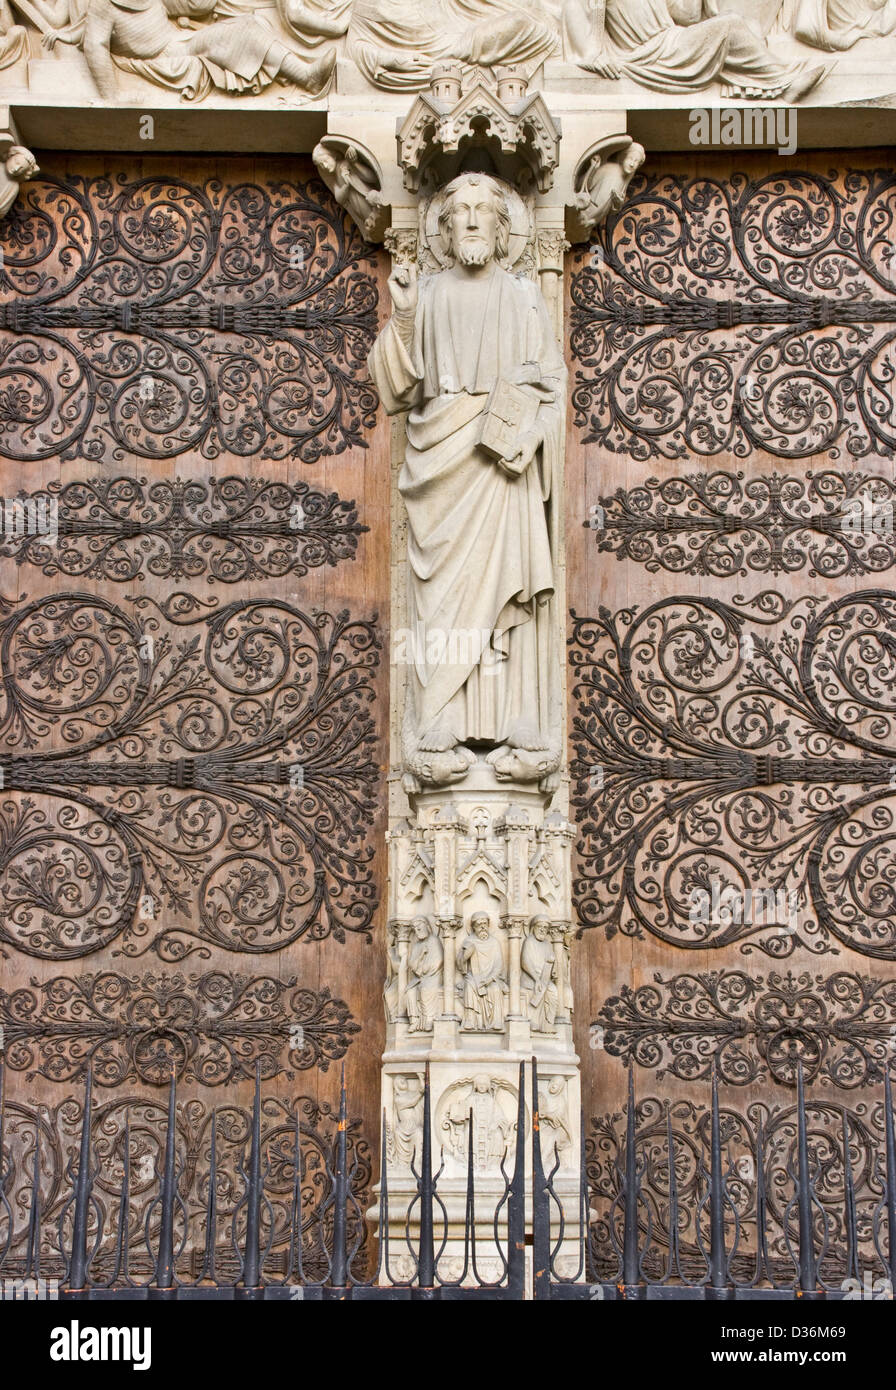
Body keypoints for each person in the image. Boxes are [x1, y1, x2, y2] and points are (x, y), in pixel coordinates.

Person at [368, 172, 566, 784]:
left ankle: (513, 725)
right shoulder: (423, 297)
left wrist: (529, 436)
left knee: (507, 597)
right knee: (443, 606)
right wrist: (402, 316)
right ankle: (437, 729)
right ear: (445, 227)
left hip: (503, 472)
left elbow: (554, 391)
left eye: (486, 210)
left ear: (504, 229)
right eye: (463, 212)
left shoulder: (526, 298)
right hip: (442, 470)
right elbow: (396, 388)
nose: (474, 220)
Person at [562, 0, 828, 99]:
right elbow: (582, 6)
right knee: (730, 25)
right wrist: (592, 51)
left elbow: (687, 14)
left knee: (733, 24)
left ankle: (773, 78)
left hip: (671, 41)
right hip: (652, 52)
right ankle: (784, 79)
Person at [457, 913, 507, 1031]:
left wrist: (489, 979)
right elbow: (460, 964)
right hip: (473, 977)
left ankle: (496, 1021)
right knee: (469, 986)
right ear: (473, 927)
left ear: (489, 925)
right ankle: (471, 1020)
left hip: (492, 978)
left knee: (495, 989)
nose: (482, 927)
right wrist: (466, 955)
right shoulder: (469, 941)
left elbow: (499, 965)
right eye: (479, 924)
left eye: (485, 923)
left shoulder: (494, 942)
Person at [404, 915, 443, 1032]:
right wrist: (421, 956)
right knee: (409, 991)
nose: (417, 930)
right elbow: (411, 964)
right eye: (414, 928)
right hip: (420, 977)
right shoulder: (416, 945)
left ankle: (430, 1019)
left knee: (425, 989)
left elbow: (438, 961)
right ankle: (414, 1020)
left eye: (419, 926)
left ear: (426, 925)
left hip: (433, 976)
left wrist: (423, 969)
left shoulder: (434, 941)